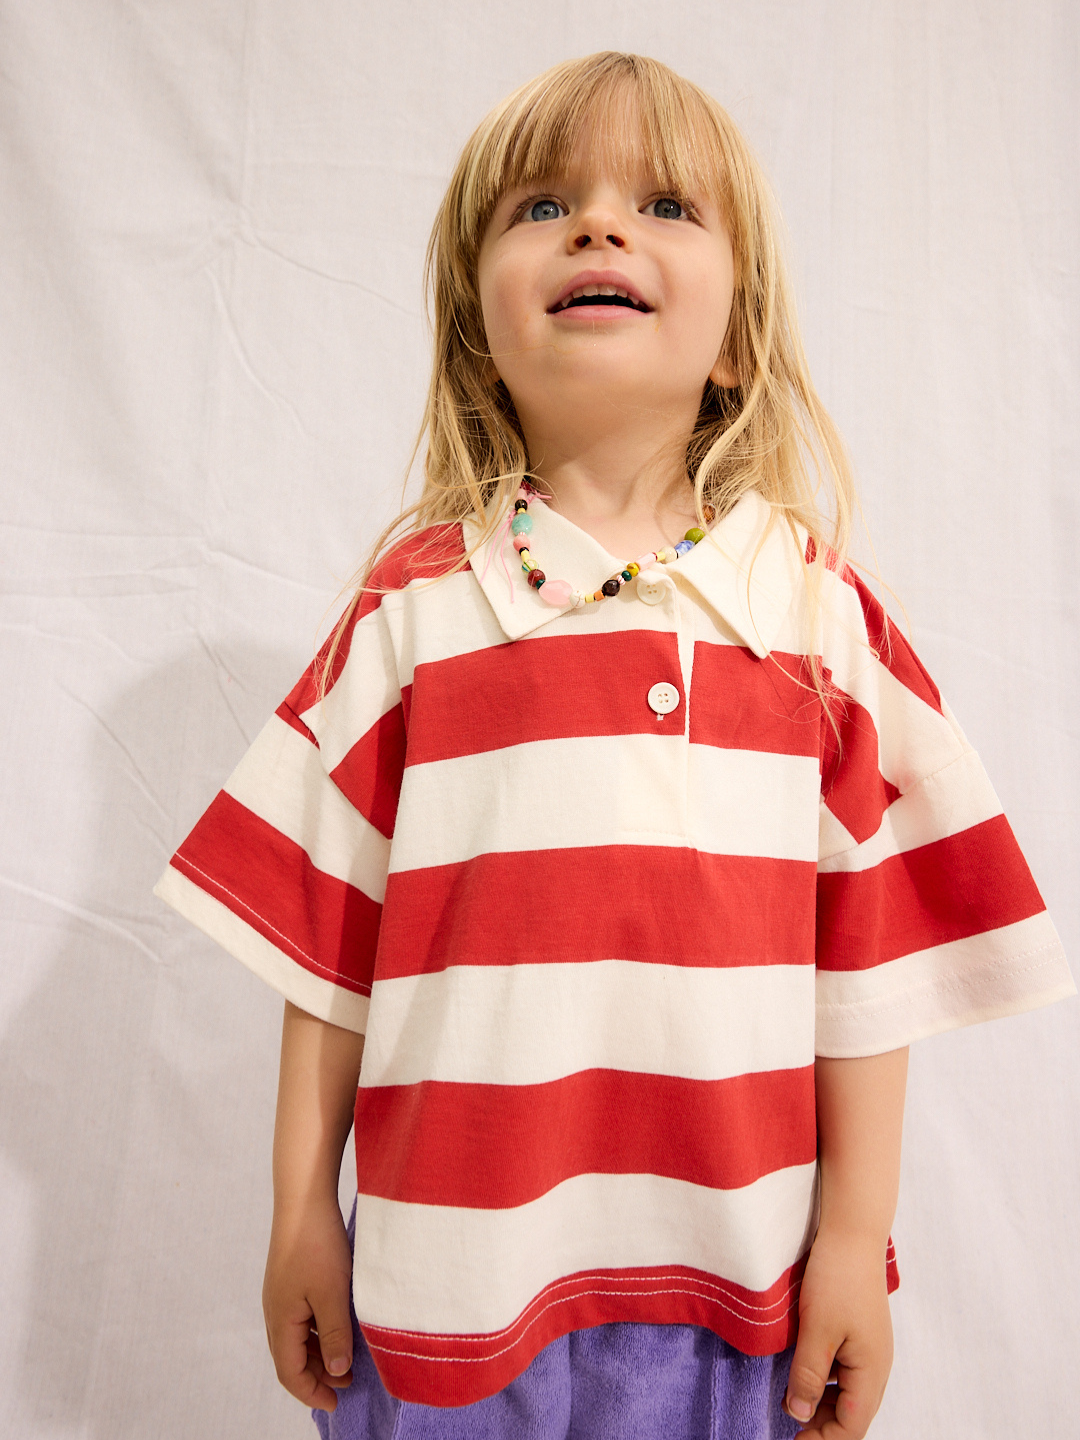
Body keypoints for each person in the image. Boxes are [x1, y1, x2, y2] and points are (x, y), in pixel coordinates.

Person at [154, 52, 1074, 1440]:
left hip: (734, 1300)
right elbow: (325, 951)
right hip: (447, 1299)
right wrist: (298, 1213)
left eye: (662, 203)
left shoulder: (817, 621)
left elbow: (868, 974)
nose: (597, 227)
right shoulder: (412, 614)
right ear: (480, 329)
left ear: (740, 335)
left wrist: (852, 1249)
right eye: (541, 206)